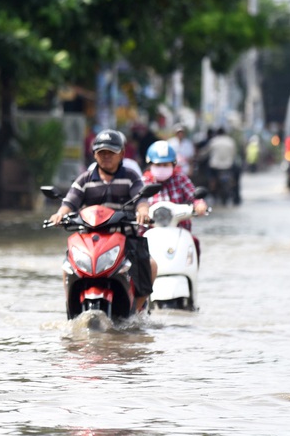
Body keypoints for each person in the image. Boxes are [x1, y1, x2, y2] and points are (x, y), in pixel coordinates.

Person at [48, 129, 157, 310]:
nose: (106, 156)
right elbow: (70, 201)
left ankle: (136, 312)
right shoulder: (85, 179)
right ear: (94, 155)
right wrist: (60, 214)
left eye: (111, 152)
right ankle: (71, 304)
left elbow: (141, 200)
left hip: (125, 241)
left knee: (151, 265)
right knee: (67, 267)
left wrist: (143, 211)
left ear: (121, 153)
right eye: (101, 152)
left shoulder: (131, 177)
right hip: (89, 242)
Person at [142, 140, 209, 257]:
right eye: (158, 165)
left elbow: (193, 195)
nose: (162, 168)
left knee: (194, 243)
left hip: (180, 236)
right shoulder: (143, 182)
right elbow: (136, 202)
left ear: (173, 165)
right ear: (150, 165)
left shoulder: (180, 179)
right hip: (150, 236)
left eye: (165, 165)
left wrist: (199, 205)